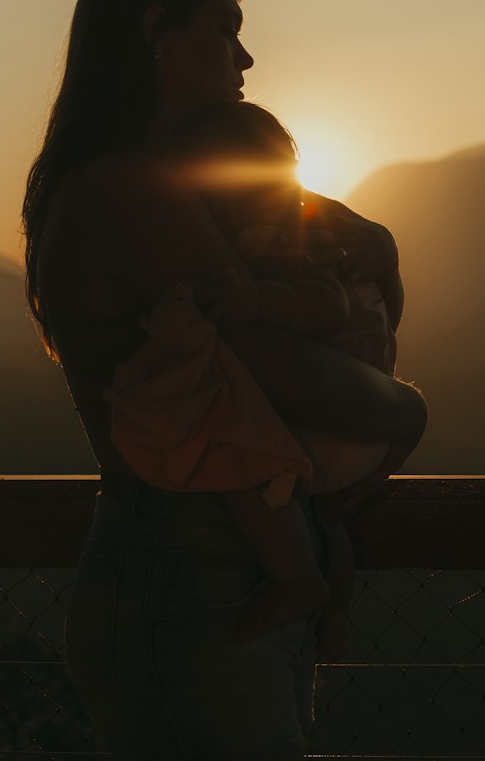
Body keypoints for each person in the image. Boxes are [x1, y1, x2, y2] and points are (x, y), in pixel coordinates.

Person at [23, 0, 427, 761]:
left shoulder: (162, 184)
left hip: (217, 570)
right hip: (190, 576)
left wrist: (367, 242)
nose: (244, 58)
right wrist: (407, 411)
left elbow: (349, 268)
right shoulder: (129, 190)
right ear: (155, 31)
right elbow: (281, 378)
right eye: (225, 26)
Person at [105, 100, 415, 657]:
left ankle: (299, 582)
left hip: (340, 427)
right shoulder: (274, 227)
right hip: (357, 426)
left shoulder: (280, 238)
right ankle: (331, 622)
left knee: (237, 452)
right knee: (325, 516)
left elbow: (329, 306)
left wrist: (256, 300)